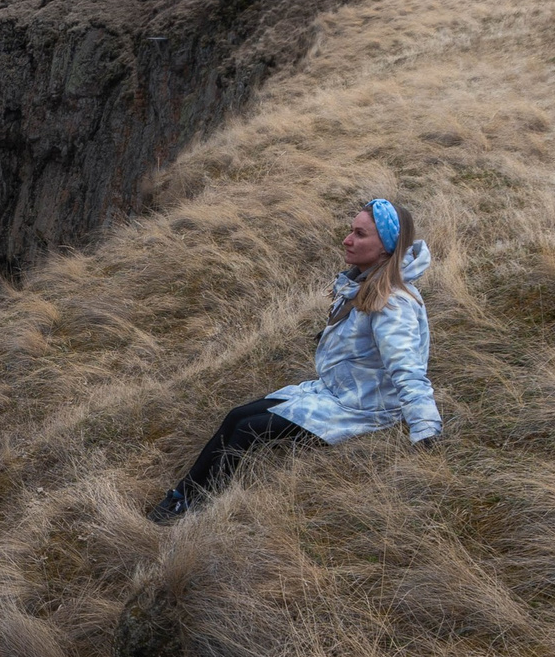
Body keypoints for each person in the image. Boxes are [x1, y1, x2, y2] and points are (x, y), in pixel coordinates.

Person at [153, 197, 440, 519]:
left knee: (249, 429)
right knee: (237, 416)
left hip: (365, 408)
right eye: (351, 231)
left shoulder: (394, 303)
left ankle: (197, 507)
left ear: (386, 248)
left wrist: (425, 428)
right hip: (340, 392)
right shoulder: (365, 283)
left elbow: (407, 368)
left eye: (360, 234)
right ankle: (182, 495)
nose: (347, 240)